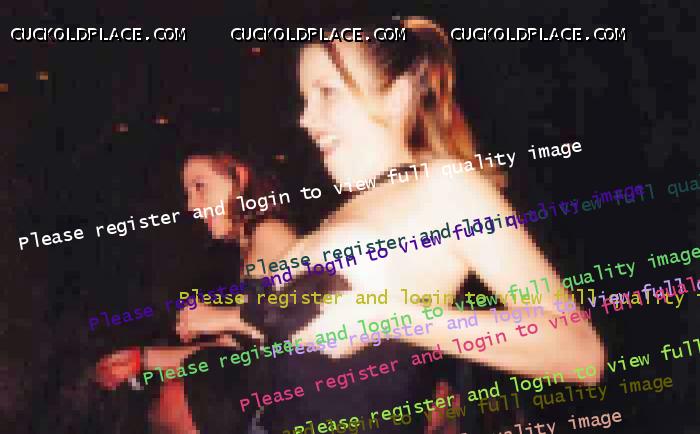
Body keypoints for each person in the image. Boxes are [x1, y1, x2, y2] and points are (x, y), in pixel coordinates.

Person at [176, 17, 605, 433]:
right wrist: (218, 322)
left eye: (327, 93)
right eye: (306, 99)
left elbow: (580, 352)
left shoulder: (445, 187)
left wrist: (390, 318)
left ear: (397, 96)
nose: (307, 119)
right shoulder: (345, 211)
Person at [94, 145, 296, 434]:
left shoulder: (270, 232)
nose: (191, 205)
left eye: (200, 186)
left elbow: (295, 323)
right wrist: (142, 358)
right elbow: (239, 346)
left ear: (239, 178)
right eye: (188, 192)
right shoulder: (252, 246)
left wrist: (219, 316)